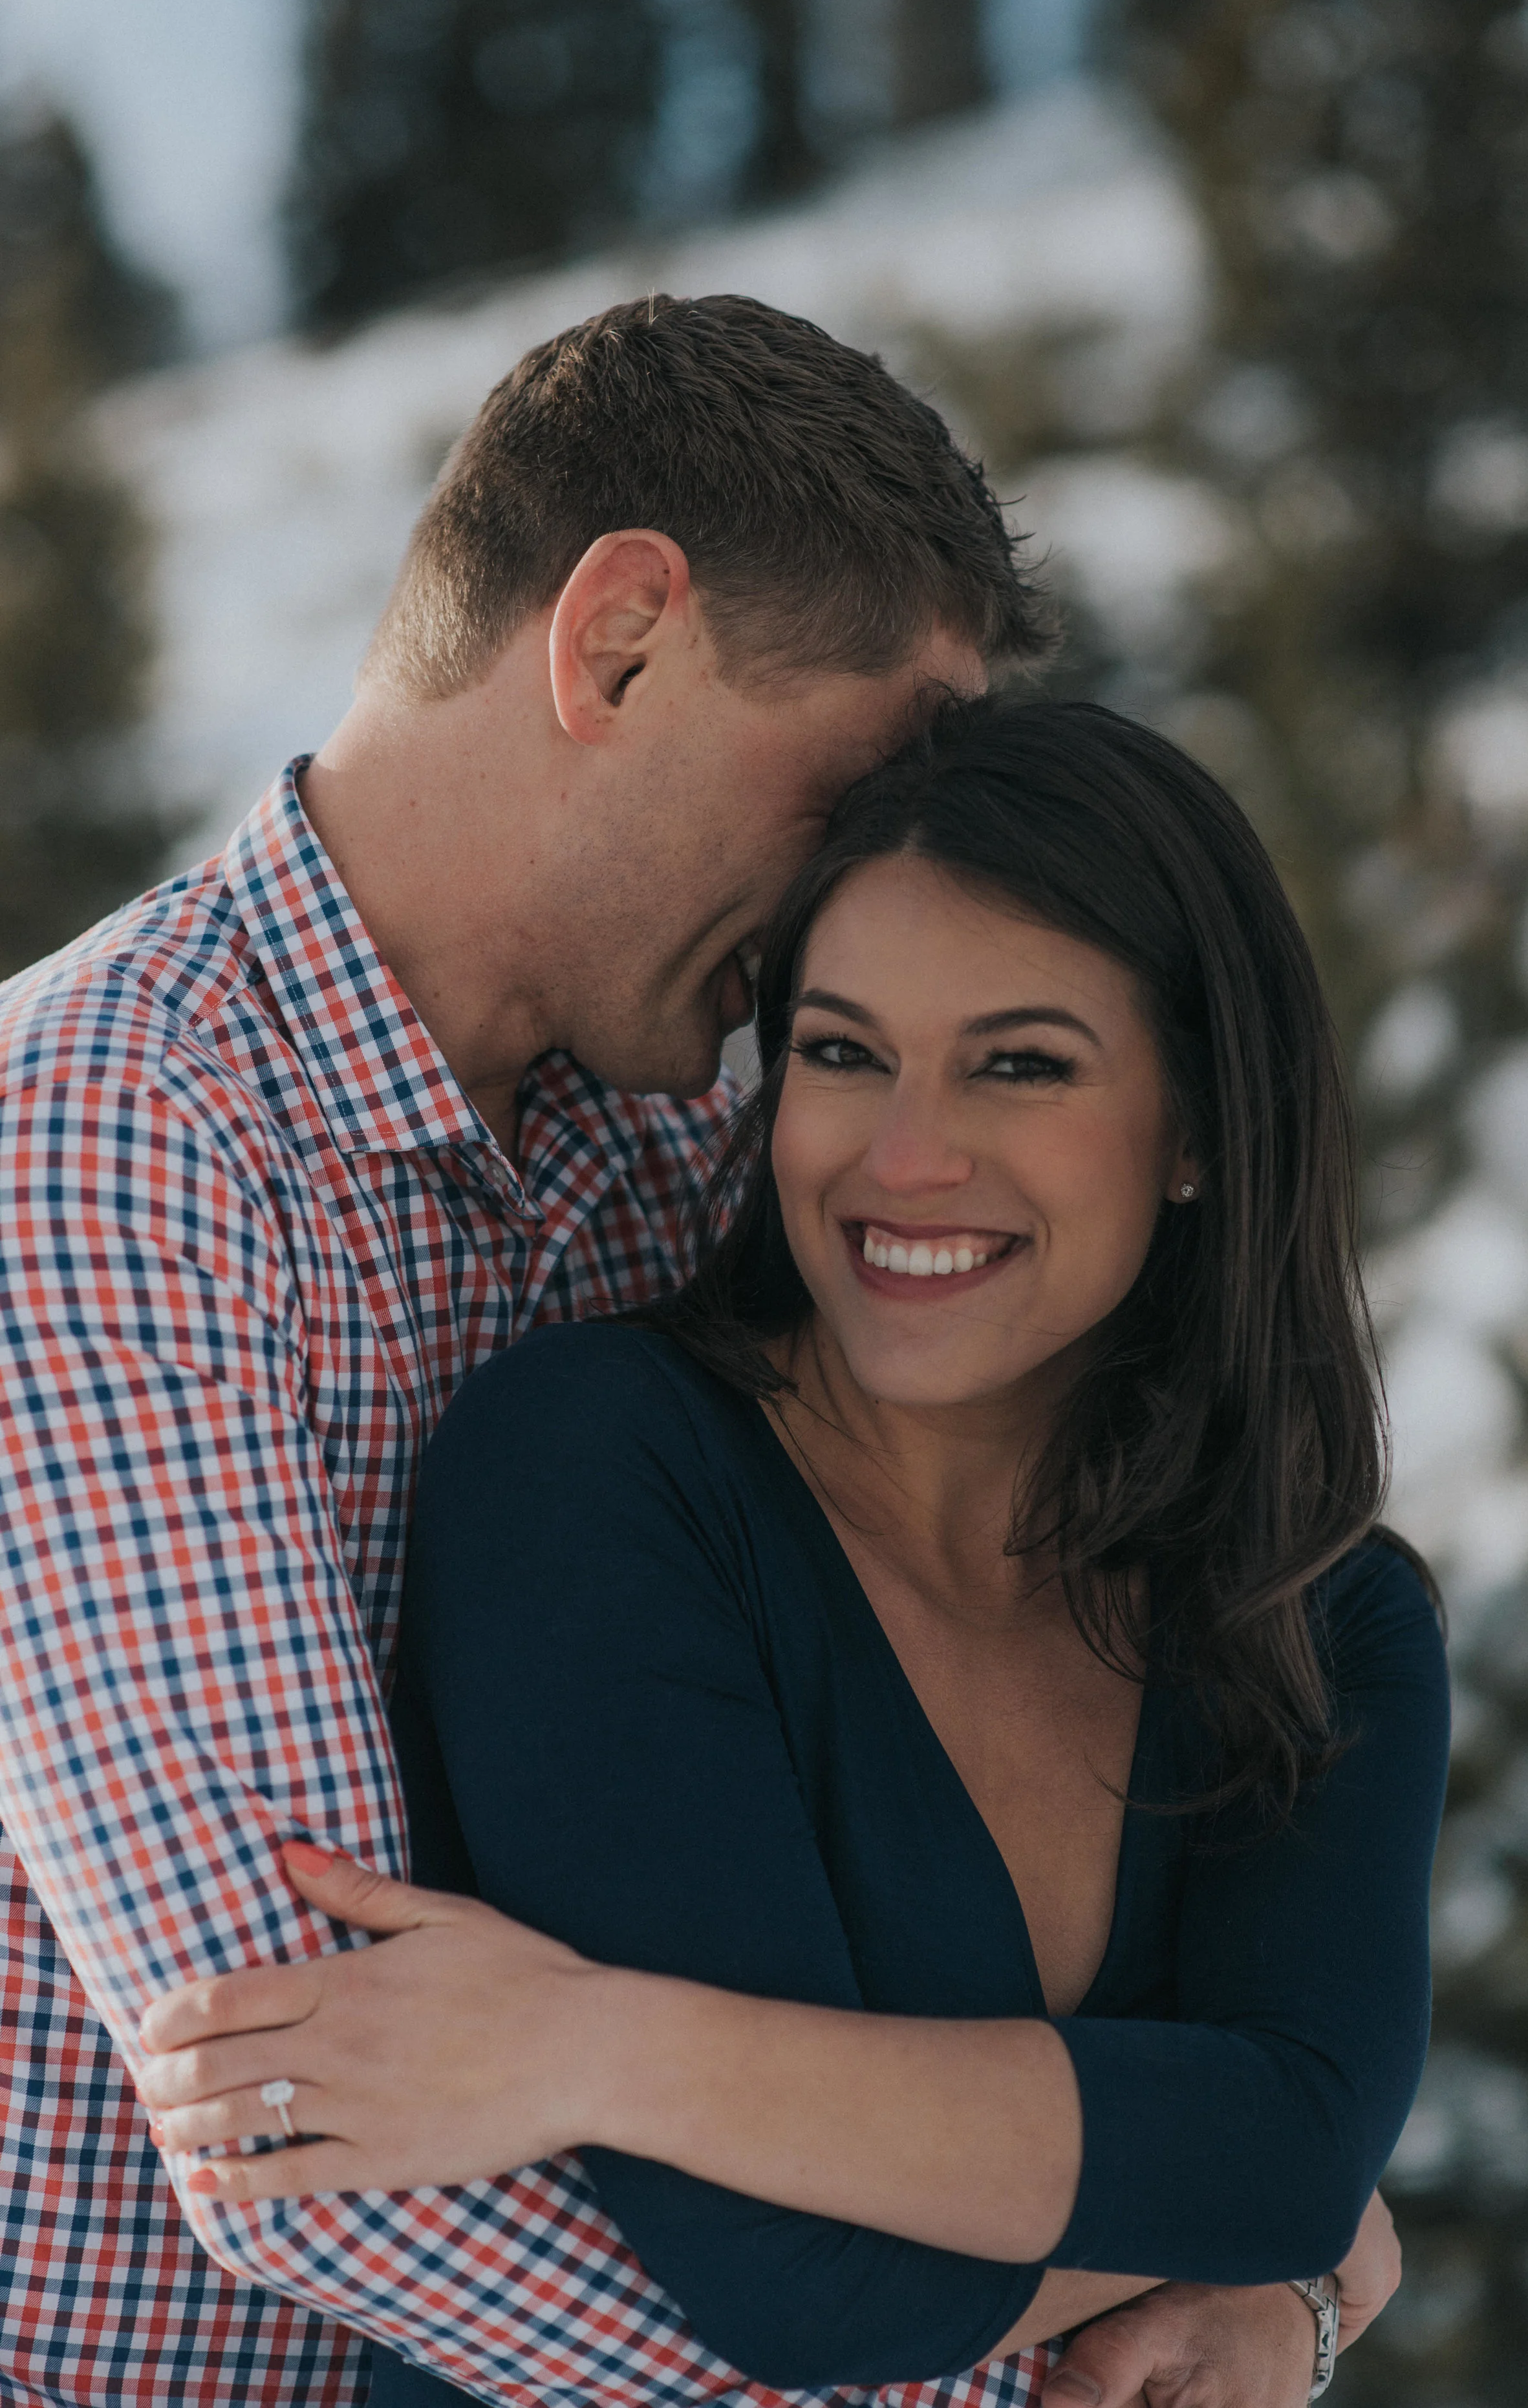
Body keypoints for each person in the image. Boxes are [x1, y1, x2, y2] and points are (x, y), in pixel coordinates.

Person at [137, 700, 1447, 2408]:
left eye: (1020, 1064)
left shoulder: (1317, 1613)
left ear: (1197, 1128)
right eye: (840, 1053)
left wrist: (594, 2046)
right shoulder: (596, 1468)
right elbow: (806, 2285)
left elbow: (1292, 2160)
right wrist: (1248, 2214)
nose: (903, 1159)